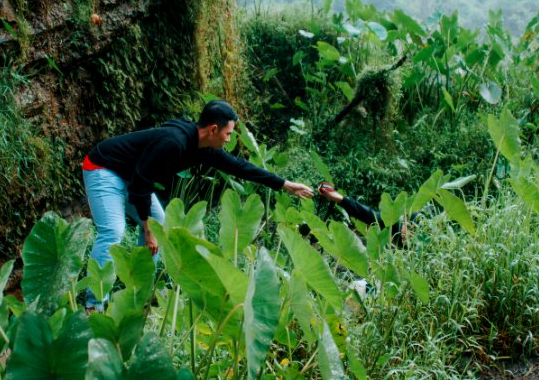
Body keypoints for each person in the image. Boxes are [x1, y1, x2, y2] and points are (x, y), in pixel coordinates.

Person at [81, 100, 314, 308]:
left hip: (133, 176)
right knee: (114, 231)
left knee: (160, 227)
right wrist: (146, 228)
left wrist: (285, 184)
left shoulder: (202, 147)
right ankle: (94, 305)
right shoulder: (174, 143)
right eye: (229, 133)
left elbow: (238, 166)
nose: (229, 139)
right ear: (213, 129)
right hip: (104, 168)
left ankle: (137, 296)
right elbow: (142, 184)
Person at [317, 182, 410, 244]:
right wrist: (341, 199)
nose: (404, 233)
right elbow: (368, 214)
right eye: (407, 227)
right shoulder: (396, 224)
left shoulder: (419, 240)